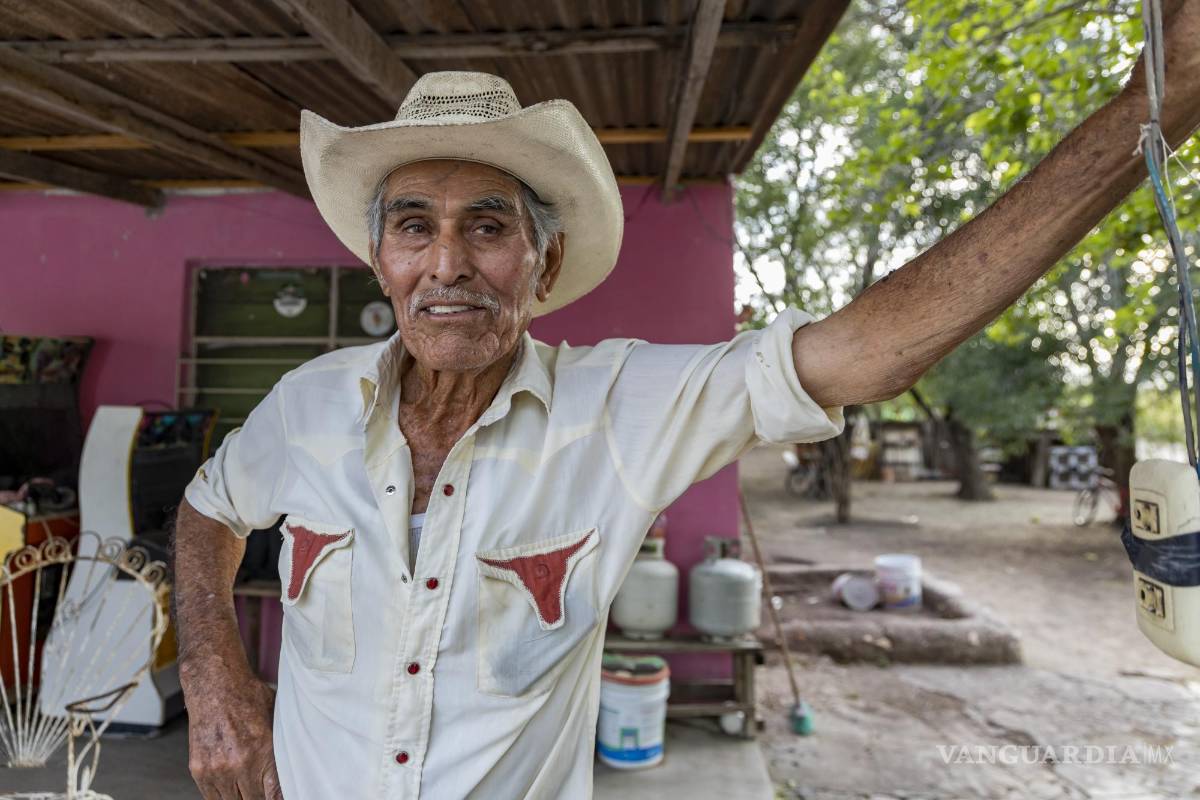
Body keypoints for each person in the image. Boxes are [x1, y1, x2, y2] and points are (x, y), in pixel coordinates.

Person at [174, 6, 1200, 797]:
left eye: (488, 226)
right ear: (378, 254)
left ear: (545, 259)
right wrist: (217, 673)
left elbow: (861, 355)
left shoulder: (619, 406)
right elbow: (206, 509)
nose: (448, 262)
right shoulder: (306, 406)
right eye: (413, 225)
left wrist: (1145, 112)